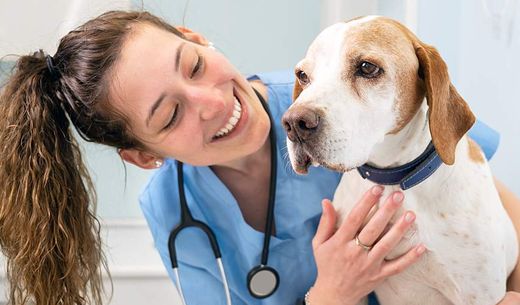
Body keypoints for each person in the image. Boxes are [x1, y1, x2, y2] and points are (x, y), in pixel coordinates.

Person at [0, 10, 519, 305]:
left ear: (198, 38)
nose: (212, 102)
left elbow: (483, 202)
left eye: (195, 65)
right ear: (142, 156)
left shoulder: (315, 108)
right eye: (170, 116)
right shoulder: (174, 215)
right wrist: (332, 293)